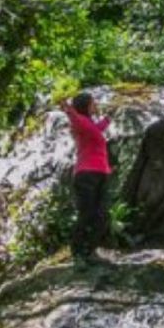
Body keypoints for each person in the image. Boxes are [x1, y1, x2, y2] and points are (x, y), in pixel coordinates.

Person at [60, 91, 112, 266]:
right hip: (86, 174)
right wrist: (67, 108)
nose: (95, 105)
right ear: (85, 106)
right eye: (93, 103)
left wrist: (108, 118)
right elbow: (74, 118)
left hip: (101, 173)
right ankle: (77, 254)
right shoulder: (79, 122)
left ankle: (90, 251)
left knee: (101, 214)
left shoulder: (89, 125)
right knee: (86, 214)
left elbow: (97, 129)